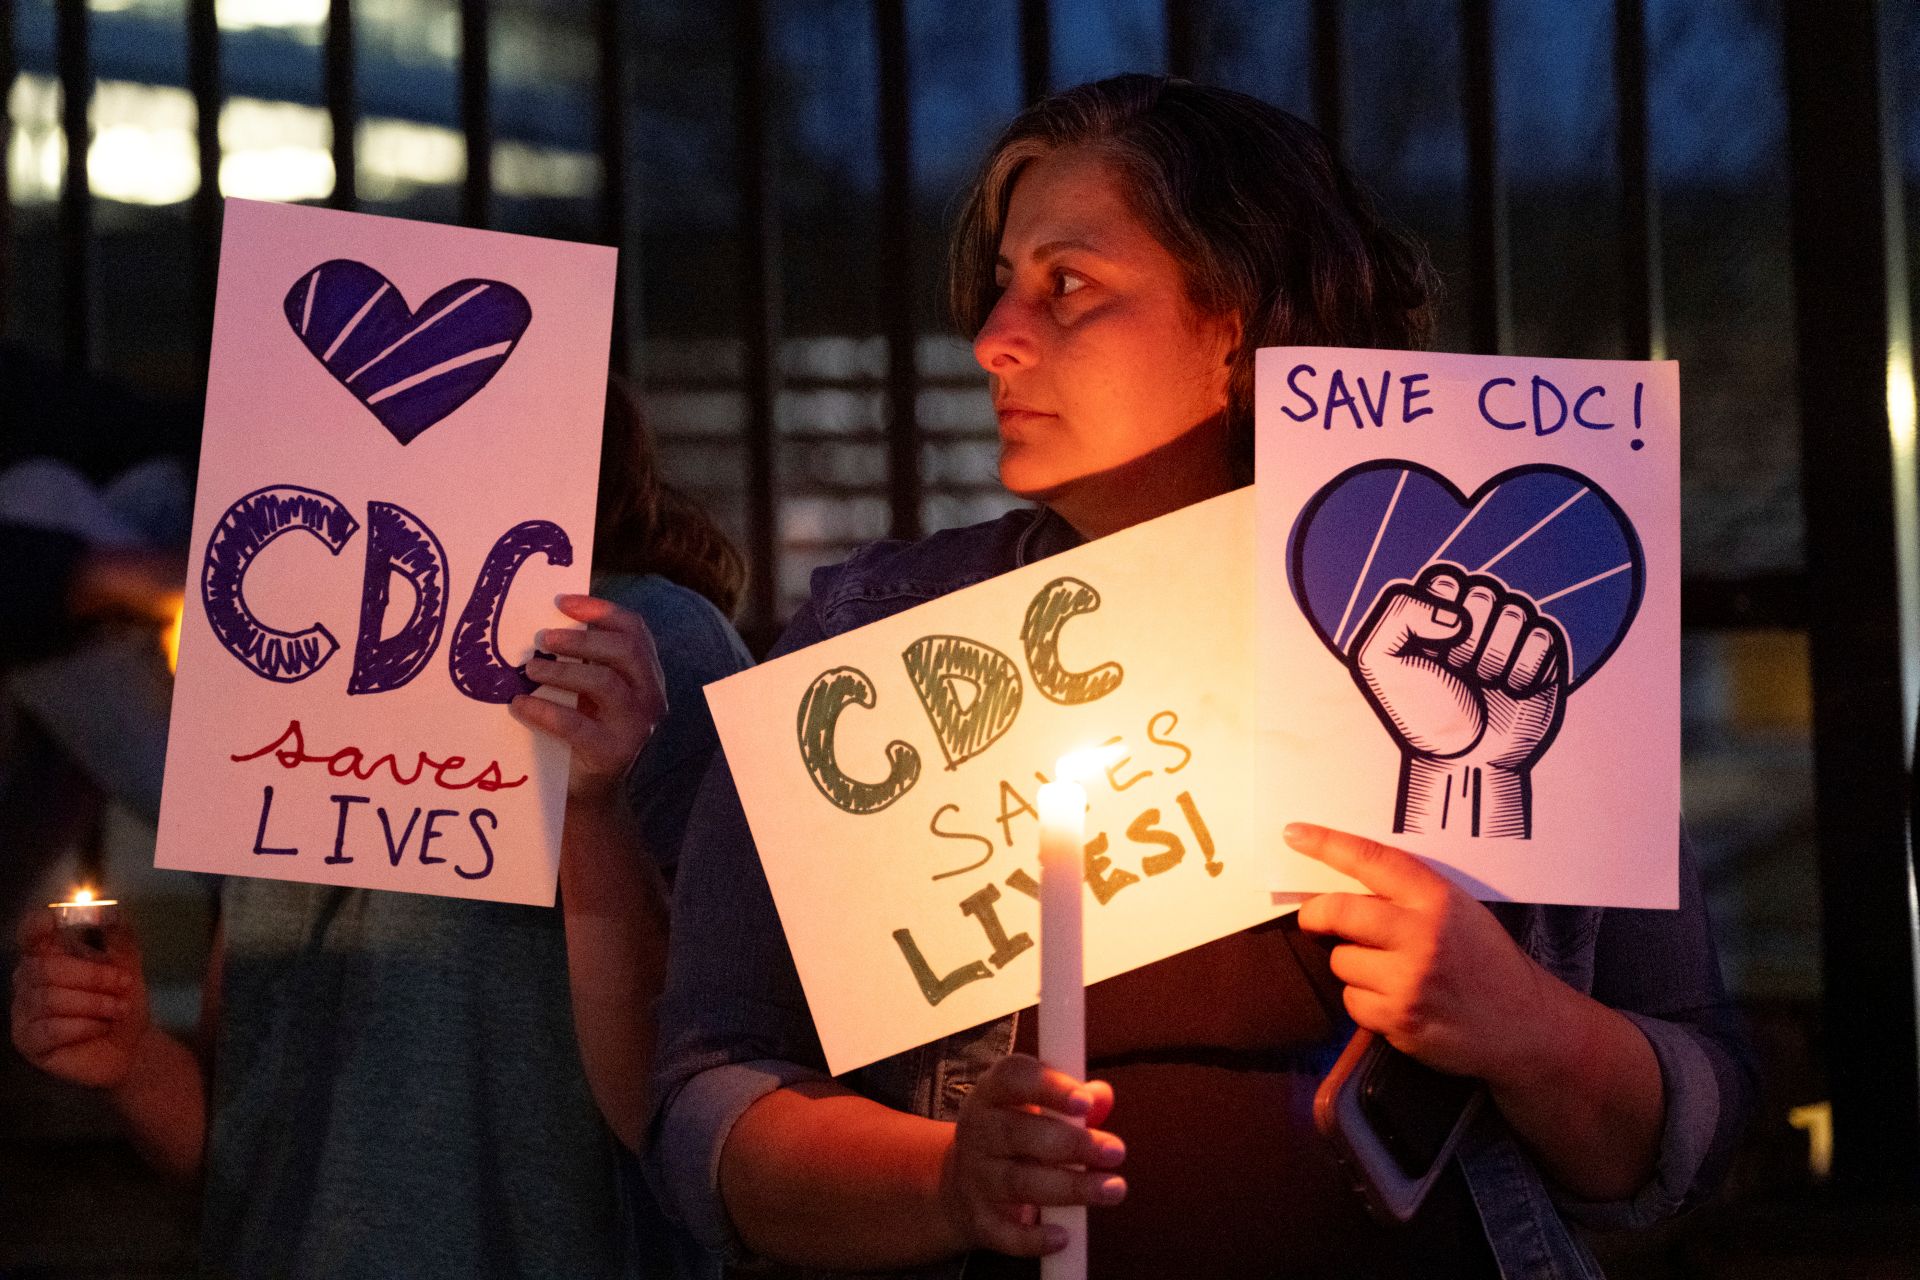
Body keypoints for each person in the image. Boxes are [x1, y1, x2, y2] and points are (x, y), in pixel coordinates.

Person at [648, 75, 1753, 1280]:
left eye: (1066, 285)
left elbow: (1690, 1137)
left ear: (1236, 330)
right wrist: (949, 1180)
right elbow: (708, 1104)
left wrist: (1528, 1026)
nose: (993, 338)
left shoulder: (1485, 648)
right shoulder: (882, 647)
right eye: (1003, 283)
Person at [10, 377, 752, 1280]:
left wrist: (587, 805)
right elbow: (240, 1127)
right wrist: (129, 1058)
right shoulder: (278, 665)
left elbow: (709, 1093)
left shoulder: (638, 646)